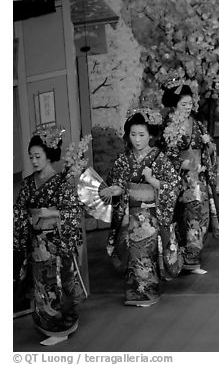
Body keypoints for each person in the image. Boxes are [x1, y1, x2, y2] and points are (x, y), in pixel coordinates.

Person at [101, 108, 182, 307]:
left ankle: (148, 292)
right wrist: (115, 190)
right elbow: (119, 184)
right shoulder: (123, 160)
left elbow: (173, 185)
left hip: (151, 214)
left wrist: (151, 179)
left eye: (142, 135)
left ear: (151, 135)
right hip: (129, 214)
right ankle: (134, 292)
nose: (137, 140)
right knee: (131, 253)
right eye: (133, 134)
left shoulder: (159, 158)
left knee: (145, 253)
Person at [13, 126, 85, 345]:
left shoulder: (61, 183)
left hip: (56, 242)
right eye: (31, 157)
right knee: (41, 285)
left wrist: (51, 212)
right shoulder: (27, 184)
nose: (34, 161)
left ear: (49, 154)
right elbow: (18, 211)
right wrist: (22, 229)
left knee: (57, 283)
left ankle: (60, 327)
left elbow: (74, 210)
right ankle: (47, 323)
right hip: (36, 242)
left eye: (38, 156)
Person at [158, 81, 219, 275]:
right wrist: (184, 164)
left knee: (199, 216)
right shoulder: (169, 126)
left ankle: (191, 258)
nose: (188, 108)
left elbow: (209, 146)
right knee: (184, 217)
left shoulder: (197, 124)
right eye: (183, 104)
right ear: (174, 105)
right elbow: (166, 154)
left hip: (198, 176)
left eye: (189, 103)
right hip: (181, 178)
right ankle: (184, 258)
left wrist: (209, 146)